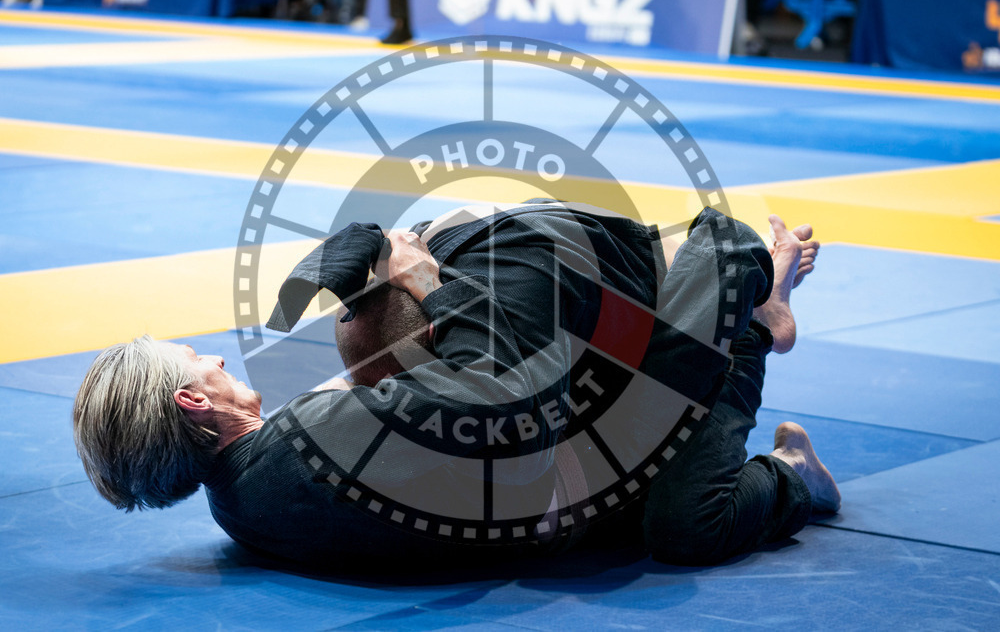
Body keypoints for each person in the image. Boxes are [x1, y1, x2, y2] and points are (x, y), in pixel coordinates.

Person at [73, 202, 839, 569]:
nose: (209, 356)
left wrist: (403, 275)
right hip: (569, 453)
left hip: (557, 462)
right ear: (192, 401)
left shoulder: (239, 504)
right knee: (687, 529)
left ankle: (733, 290)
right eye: (192, 358)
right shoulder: (310, 448)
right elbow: (510, 402)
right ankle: (749, 286)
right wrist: (430, 284)